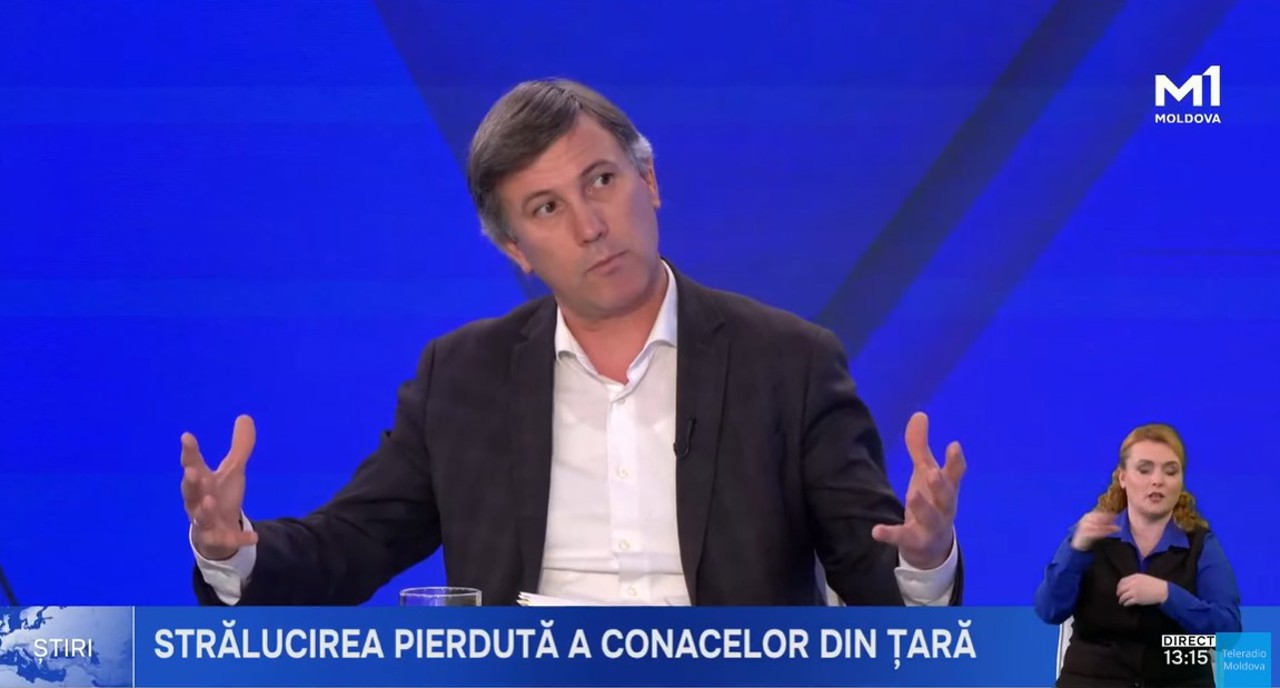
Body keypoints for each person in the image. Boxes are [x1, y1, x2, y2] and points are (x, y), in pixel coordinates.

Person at [181, 78, 968, 607]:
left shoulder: (788, 363)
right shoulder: (462, 377)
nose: (591, 226)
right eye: (547, 209)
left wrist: (925, 555)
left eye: (601, 181)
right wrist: (232, 549)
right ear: (515, 249)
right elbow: (352, 546)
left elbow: (877, 580)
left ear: (648, 181)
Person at [1035, 423, 1241, 687]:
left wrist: (1167, 595)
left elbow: (1228, 633)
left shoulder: (1201, 545)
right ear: (1122, 477)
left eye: (1170, 471)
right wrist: (1076, 550)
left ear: (1180, 481)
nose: (1157, 480)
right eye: (1144, 470)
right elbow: (1049, 610)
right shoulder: (1090, 534)